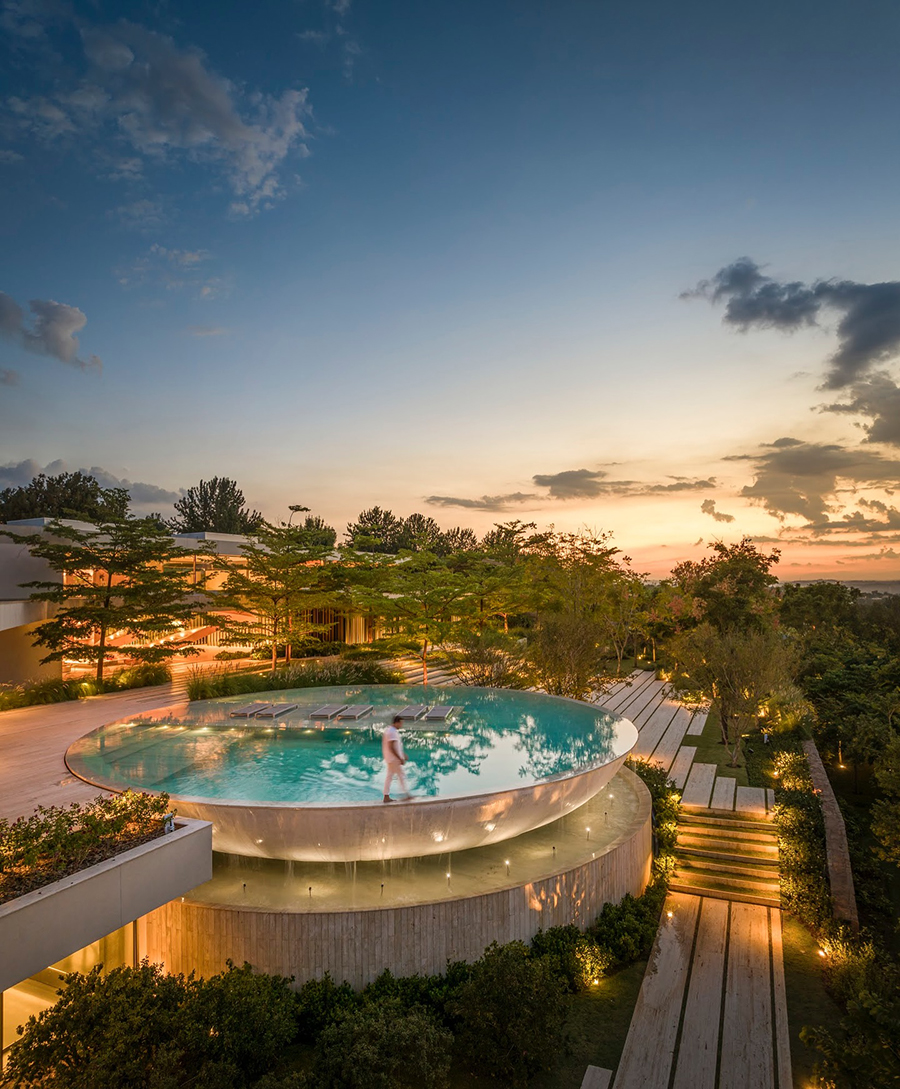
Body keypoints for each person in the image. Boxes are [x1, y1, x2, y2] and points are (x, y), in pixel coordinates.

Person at [382, 714, 411, 802]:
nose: (401, 725)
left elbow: (396, 746)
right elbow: (391, 747)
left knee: (389, 776)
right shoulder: (392, 732)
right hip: (393, 759)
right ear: (396, 723)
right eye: (401, 723)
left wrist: (403, 754)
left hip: (390, 758)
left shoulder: (389, 730)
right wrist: (399, 758)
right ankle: (406, 795)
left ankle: (386, 796)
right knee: (401, 775)